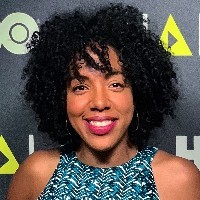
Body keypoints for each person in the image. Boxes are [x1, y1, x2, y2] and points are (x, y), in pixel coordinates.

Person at [6, 3, 200, 200]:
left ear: (138, 93)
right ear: (60, 97)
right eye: (80, 87)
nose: (99, 102)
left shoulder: (178, 179)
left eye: (116, 84)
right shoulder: (36, 174)